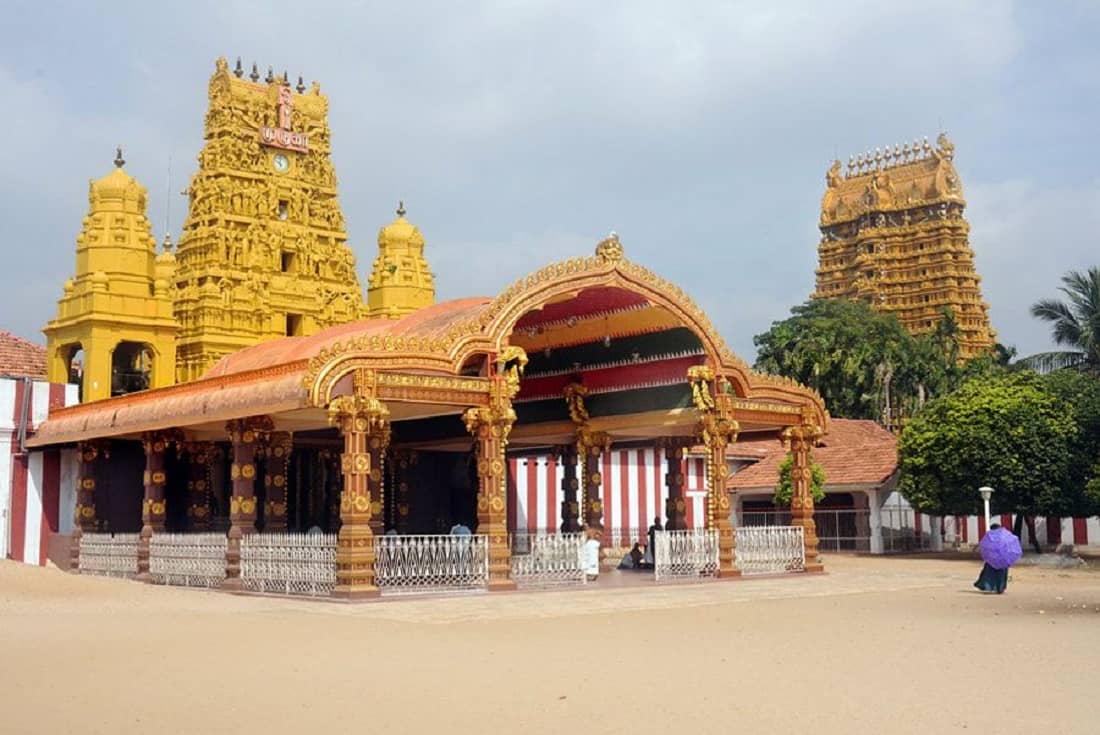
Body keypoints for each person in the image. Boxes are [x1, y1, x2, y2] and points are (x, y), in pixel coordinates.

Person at [974, 523, 1010, 594]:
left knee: (988, 572)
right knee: (1001, 574)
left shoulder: (991, 537)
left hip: (993, 558)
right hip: (1003, 558)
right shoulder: (1005, 536)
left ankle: (987, 586)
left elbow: (986, 546)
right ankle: (1000, 588)